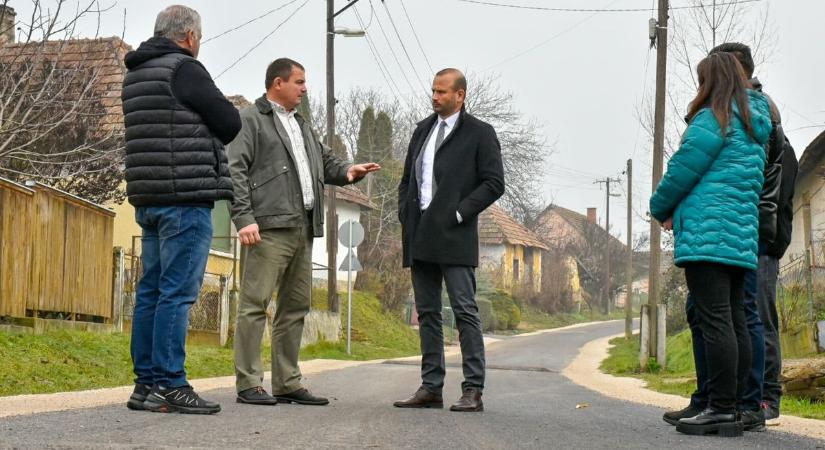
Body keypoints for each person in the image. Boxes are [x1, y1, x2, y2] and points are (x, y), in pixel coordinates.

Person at [662, 43, 798, 431]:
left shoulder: (758, 111)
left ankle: (755, 400)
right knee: (711, 314)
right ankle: (712, 398)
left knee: (748, 316)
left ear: (735, 71)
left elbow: (776, 175)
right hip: (733, 228)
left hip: (751, 231)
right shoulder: (728, 111)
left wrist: (763, 227)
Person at [228, 58, 379, 406]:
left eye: (305, 82)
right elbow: (234, 170)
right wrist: (243, 218)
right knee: (254, 304)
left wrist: (349, 171)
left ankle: (287, 382)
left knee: (295, 307)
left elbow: (326, 163)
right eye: (299, 81)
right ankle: (249, 383)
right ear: (277, 83)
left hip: (303, 227)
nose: (304, 88)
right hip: (267, 228)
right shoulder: (251, 120)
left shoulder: (302, 125)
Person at [122, 5, 241, 414]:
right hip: (185, 198)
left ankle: (145, 386)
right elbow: (228, 122)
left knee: (151, 292)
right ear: (189, 36)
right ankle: (172, 383)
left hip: (149, 198)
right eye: (200, 39)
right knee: (177, 292)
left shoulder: (135, 74)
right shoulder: (185, 69)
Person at [394, 68, 504, 413]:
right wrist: (405, 214)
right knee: (426, 313)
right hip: (420, 234)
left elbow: (493, 182)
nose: (435, 97)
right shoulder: (422, 130)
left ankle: (473, 389)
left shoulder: (480, 133)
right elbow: (407, 180)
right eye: (433, 91)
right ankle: (431, 387)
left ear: (461, 95)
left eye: (442, 92)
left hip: (455, 236)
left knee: (464, 311)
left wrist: (459, 213)